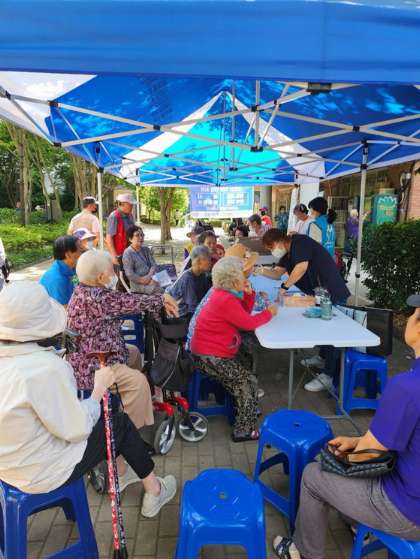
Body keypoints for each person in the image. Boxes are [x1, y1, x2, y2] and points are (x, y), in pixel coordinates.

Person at [0, 281, 176, 515]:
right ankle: (155, 490)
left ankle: (122, 472)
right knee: (120, 424)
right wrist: (97, 390)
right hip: (43, 471)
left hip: (9, 467)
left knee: (110, 413)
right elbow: (77, 429)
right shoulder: (46, 368)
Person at [273, 294, 420, 558]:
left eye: (415, 314)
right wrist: (358, 440)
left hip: (407, 511)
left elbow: (367, 455)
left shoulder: (407, 387)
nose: (409, 318)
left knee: (313, 475)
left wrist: (342, 456)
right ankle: (356, 521)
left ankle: (303, 552)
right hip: (410, 490)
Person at [190, 257, 277, 442]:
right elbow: (248, 323)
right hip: (208, 356)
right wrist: (269, 313)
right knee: (247, 382)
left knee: (247, 356)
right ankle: (243, 430)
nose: (245, 279)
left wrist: (249, 294)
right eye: (241, 276)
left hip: (211, 351)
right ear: (233, 280)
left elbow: (243, 313)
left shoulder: (224, 294)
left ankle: (246, 406)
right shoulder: (225, 299)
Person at [261, 229, 350, 392]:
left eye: (271, 247)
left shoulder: (300, 242)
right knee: (324, 328)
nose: (272, 251)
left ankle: (328, 375)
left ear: (280, 240)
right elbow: (276, 273)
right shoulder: (287, 255)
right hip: (319, 294)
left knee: (333, 333)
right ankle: (323, 358)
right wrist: (259, 270)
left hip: (332, 291)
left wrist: (285, 286)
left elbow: (302, 267)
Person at [166, 245, 212, 321]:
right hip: (179, 315)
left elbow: (206, 297)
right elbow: (192, 308)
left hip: (190, 312)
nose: (211, 263)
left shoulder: (202, 275)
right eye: (209, 260)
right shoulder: (188, 277)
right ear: (199, 261)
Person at [40, 235, 81, 306]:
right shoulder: (58, 280)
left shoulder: (70, 268)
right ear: (68, 255)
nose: (82, 252)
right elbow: (64, 310)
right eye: (79, 249)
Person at [122, 225, 162, 295]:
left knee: (170, 285)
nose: (141, 237)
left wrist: (150, 277)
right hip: (138, 285)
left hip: (152, 279)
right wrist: (144, 280)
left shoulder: (146, 250)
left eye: (142, 235)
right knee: (163, 291)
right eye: (137, 235)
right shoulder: (128, 253)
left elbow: (154, 265)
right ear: (130, 239)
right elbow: (129, 274)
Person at [106, 192, 136, 268]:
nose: (132, 206)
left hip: (130, 253)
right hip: (119, 255)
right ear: (121, 204)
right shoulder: (114, 216)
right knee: (119, 274)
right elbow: (109, 238)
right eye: (130, 204)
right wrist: (114, 256)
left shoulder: (130, 216)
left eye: (132, 204)